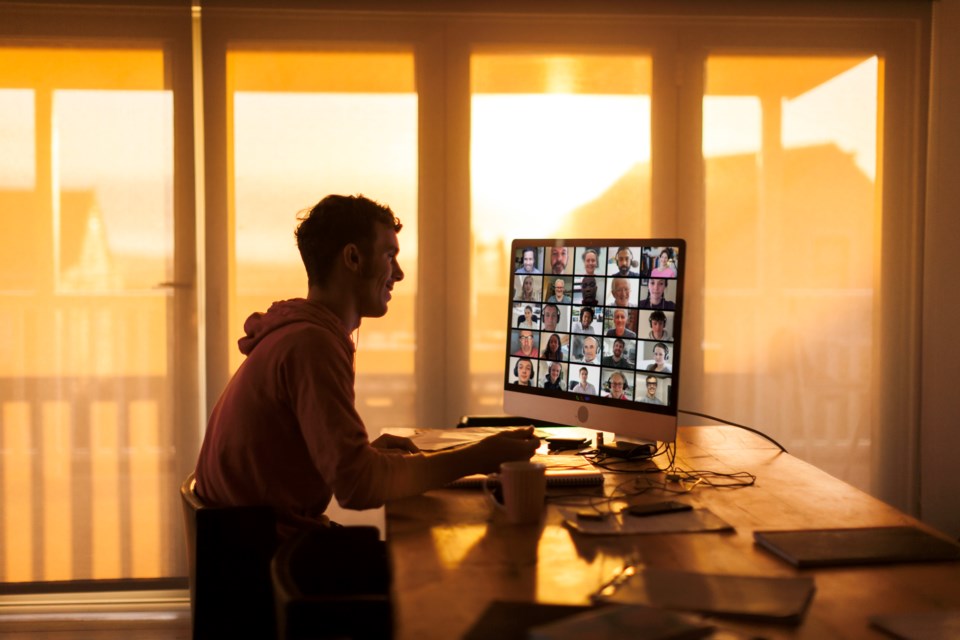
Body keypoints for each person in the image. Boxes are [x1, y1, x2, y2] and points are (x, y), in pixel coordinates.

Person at [194, 194, 539, 539]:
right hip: (274, 565)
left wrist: (367, 454)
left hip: (249, 549)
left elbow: (316, 462)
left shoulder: (299, 333)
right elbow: (356, 485)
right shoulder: (312, 345)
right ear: (354, 258)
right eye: (390, 256)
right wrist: (479, 457)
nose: (399, 274)